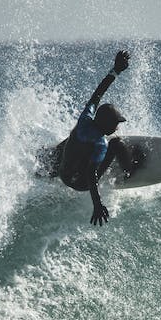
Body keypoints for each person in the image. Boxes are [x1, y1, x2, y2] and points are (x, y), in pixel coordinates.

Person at [57, 50, 134, 226]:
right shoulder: (101, 144)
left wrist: (115, 71)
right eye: (116, 123)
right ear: (107, 125)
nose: (117, 126)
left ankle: (50, 165)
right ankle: (129, 170)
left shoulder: (85, 118)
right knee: (117, 143)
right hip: (81, 183)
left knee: (71, 140)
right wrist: (97, 204)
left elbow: (98, 94)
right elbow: (91, 174)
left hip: (64, 174)